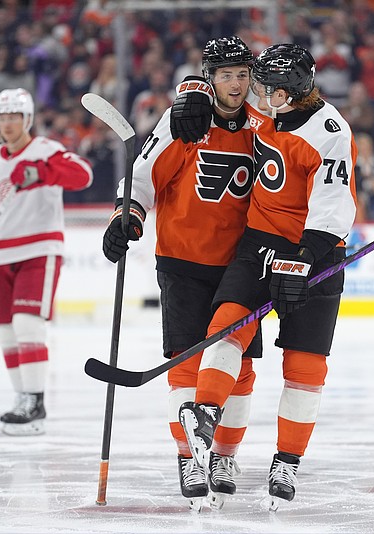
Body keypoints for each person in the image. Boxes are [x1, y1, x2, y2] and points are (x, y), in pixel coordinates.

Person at [170, 43, 357, 509]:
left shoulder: (330, 131)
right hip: (258, 243)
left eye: (273, 91)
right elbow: (220, 88)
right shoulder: (262, 105)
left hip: (315, 251)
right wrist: (191, 89)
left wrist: (305, 260)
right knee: (228, 322)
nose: (261, 97)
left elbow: (336, 207)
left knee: (305, 364)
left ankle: (287, 461)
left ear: (296, 91)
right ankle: (207, 412)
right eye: (262, 88)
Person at [102, 36, 263, 510]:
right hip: (183, 261)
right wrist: (126, 216)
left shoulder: (264, 127)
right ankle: (189, 456)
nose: (235, 84)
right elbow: (142, 177)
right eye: (225, 75)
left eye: (242, 74)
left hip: (243, 263)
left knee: (241, 369)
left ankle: (224, 456)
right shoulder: (184, 123)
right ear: (209, 79)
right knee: (186, 368)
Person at [0, 88, 93, 436]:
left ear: (27, 120)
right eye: (2, 118)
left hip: (38, 250)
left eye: (14, 117)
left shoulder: (47, 151)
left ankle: (36, 401)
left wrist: (41, 171)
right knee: (7, 331)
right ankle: (22, 398)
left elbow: (83, 175)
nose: (8, 124)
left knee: (28, 324)